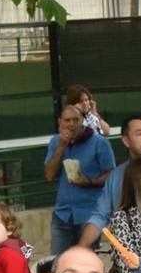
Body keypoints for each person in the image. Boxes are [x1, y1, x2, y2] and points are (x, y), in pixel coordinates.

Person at [45, 100, 115, 255]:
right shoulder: (55, 142)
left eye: (75, 120)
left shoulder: (99, 143)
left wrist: (90, 181)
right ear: (60, 122)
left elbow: (111, 175)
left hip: (89, 214)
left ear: (83, 121)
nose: (71, 124)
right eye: (67, 120)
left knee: (84, 261)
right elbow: (49, 175)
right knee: (57, 262)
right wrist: (61, 147)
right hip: (62, 213)